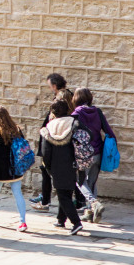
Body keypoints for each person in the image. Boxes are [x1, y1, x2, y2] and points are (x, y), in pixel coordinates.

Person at [70, 87, 116, 223]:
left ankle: (94, 203)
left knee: (80, 181)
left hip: (83, 154)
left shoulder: (76, 114)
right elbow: (109, 131)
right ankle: (90, 213)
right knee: (92, 182)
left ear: (76, 99)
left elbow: (72, 133)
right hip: (98, 152)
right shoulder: (98, 112)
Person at [40, 100, 84, 236]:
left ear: (53, 112)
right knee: (66, 192)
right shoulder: (74, 123)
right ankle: (60, 219)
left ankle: (76, 223)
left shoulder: (49, 127)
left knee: (63, 195)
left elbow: (46, 152)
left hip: (57, 165)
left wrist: (47, 167)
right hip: (72, 163)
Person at [31, 73, 73, 211]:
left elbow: (55, 118)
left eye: (50, 86)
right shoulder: (68, 94)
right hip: (61, 137)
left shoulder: (62, 96)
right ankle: (48, 198)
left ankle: (45, 201)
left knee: (46, 169)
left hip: (55, 138)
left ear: (54, 85)